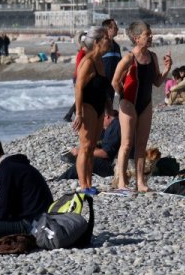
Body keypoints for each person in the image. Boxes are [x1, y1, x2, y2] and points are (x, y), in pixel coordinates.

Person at [112, 20, 172, 192]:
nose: (151, 36)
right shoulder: (128, 58)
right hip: (128, 103)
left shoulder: (152, 57)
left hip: (145, 103)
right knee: (127, 144)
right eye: (147, 34)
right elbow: (115, 81)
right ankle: (122, 182)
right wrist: (123, 97)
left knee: (141, 145)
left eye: (150, 33)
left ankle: (140, 182)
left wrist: (167, 69)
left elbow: (157, 82)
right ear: (137, 38)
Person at [0, 134, 53, 241]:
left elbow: (2, 212)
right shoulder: (13, 165)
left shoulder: (6, 170)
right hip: (39, 217)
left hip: (31, 224)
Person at [72, 26, 112, 195]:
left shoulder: (100, 61)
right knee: (85, 147)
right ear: (96, 42)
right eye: (106, 39)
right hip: (87, 107)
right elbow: (79, 88)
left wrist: (109, 105)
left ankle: (89, 183)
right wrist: (79, 113)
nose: (109, 41)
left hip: (99, 107)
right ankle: (83, 185)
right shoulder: (87, 62)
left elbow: (102, 87)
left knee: (91, 147)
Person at [58, 110, 121, 179]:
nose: (98, 122)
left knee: (85, 159)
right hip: (106, 159)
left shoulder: (115, 126)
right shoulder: (108, 126)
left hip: (111, 166)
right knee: (71, 156)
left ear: (107, 117)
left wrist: (81, 152)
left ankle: (62, 178)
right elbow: (98, 145)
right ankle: (78, 170)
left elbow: (105, 153)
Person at [64, 33, 88, 122]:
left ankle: (71, 114)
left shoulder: (84, 53)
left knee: (82, 96)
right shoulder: (82, 53)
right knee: (81, 96)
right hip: (79, 77)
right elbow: (79, 68)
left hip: (79, 77)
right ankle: (69, 114)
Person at [101, 18, 122, 103]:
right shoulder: (100, 45)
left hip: (112, 84)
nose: (117, 29)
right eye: (115, 27)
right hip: (101, 85)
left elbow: (120, 65)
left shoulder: (116, 46)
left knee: (108, 110)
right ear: (109, 29)